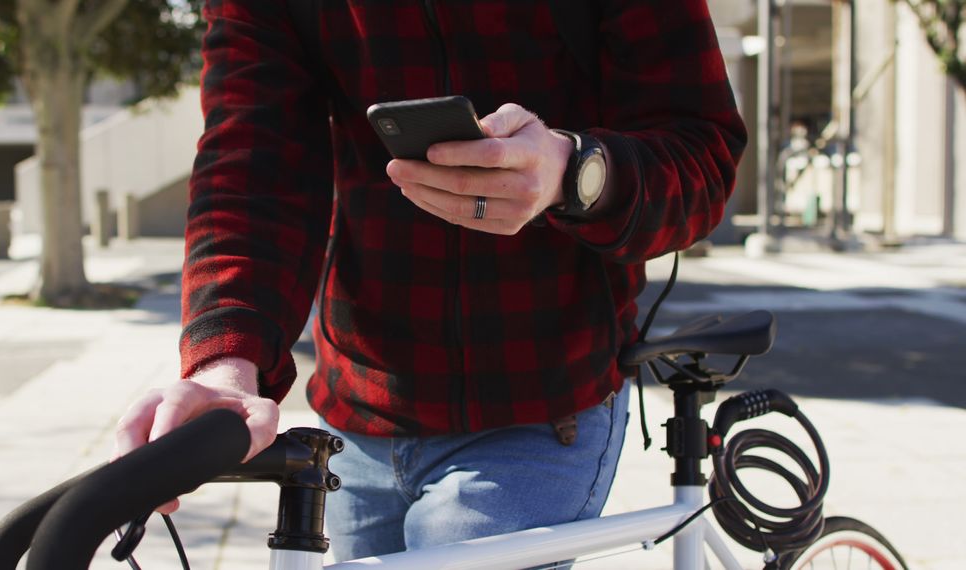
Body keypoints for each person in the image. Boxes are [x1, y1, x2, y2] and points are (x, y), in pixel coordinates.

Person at [115, 0, 747, 562]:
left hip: (538, 399)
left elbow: (704, 155)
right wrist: (224, 364)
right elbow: (253, 170)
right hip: (356, 409)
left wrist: (573, 172)